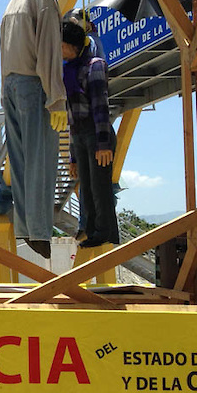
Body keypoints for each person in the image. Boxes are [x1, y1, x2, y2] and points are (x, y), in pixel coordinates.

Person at [0, 0, 72, 259]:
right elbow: (49, 53)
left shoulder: (12, 2)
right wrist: (56, 98)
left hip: (9, 85)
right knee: (42, 159)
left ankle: (25, 229)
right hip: (34, 85)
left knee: (19, 161)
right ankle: (40, 232)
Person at [62, 21, 119, 247]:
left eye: (62, 45)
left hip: (97, 132)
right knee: (86, 187)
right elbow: (70, 117)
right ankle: (91, 229)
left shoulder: (94, 65)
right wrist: (72, 155)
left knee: (100, 187)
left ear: (72, 45)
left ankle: (104, 234)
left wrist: (103, 143)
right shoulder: (68, 69)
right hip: (79, 134)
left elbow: (100, 105)